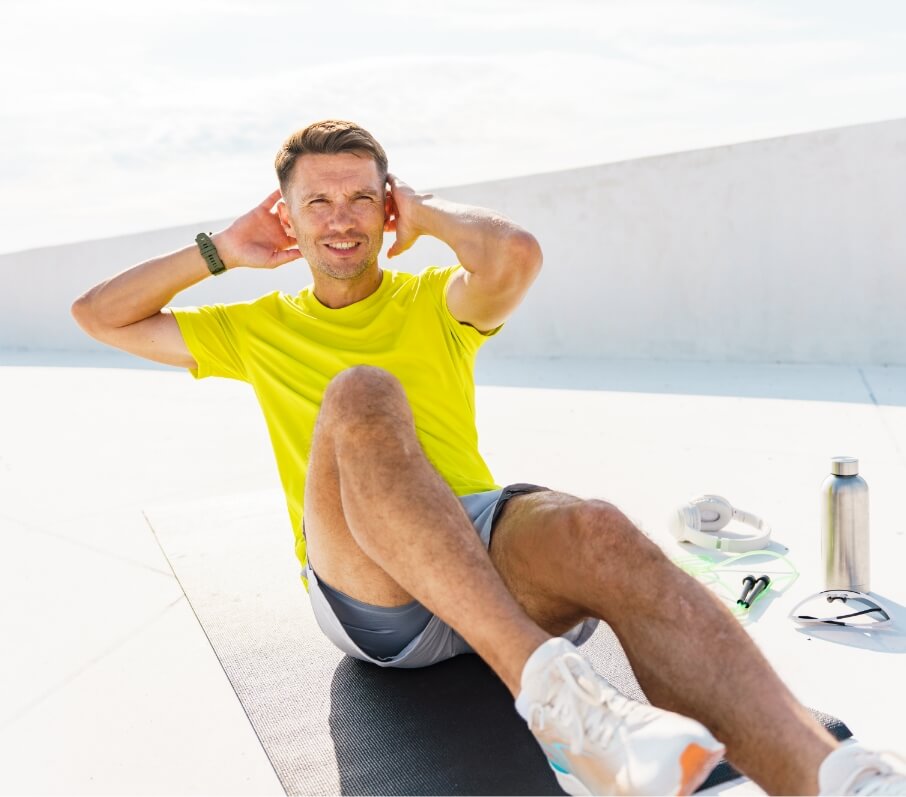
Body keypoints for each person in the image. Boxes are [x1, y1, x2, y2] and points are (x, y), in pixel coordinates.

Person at [72, 120, 905, 796]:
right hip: (369, 583)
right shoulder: (253, 327)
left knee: (598, 527)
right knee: (361, 395)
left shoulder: (434, 300)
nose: (341, 217)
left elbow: (518, 256)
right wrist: (220, 251)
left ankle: (834, 778)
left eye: (363, 197)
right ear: (284, 216)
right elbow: (98, 316)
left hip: (478, 541)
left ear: (387, 207)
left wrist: (424, 217)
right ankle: (560, 700)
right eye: (318, 201)